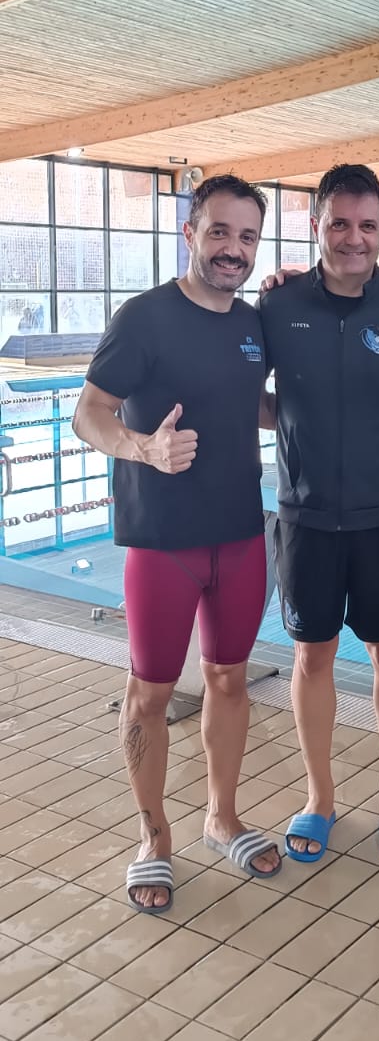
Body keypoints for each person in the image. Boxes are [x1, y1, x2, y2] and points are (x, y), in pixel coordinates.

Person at [73, 174, 281, 913]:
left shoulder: (252, 324)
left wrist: (312, 411)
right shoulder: (146, 318)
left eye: (247, 236)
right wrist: (142, 449)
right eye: (219, 232)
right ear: (189, 235)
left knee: (229, 681)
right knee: (149, 695)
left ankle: (221, 817)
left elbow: (254, 404)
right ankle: (153, 836)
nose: (233, 249)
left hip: (239, 537)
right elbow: (87, 414)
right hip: (162, 543)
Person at [260, 163, 379, 863]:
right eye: (340, 223)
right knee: (312, 655)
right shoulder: (276, 306)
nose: (354, 238)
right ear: (316, 226)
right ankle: (320, 797)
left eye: (368, 225)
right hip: (306, 518)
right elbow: (246, 388)